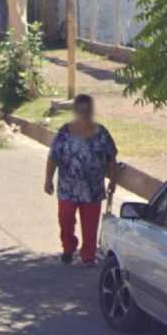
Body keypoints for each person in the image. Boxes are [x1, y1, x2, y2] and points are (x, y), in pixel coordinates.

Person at [44, 94, 118, 266]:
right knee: (65, 220)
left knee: (90, 226)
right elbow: (53, 157)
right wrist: (48, 179)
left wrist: (113, 181)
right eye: (81, 110)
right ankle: (68, 248)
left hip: (92, 189)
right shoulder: (64, 132)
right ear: (75, 111)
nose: (84, 114)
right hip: (68, 188)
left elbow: (111, 159)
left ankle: (88, 256)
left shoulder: (102, 133)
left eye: (87, 110)